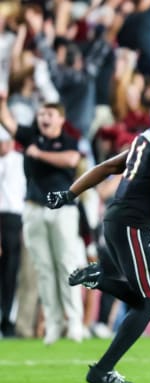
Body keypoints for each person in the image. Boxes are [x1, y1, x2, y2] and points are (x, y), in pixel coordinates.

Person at [44, 87, 150, 383]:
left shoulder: (148, 136)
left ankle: (98, 280)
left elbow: (106, 166)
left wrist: (69, 194)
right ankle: (101, 370)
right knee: (149, 300)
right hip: (133, 223)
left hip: (121, 219)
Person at [0, 92, 84, 345]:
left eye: (49, 114)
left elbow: (72, 159)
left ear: (60, 119)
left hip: (63, 209)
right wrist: (2, 102)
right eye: (41, 114)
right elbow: (8, 122)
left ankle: (75, 322)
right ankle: (53, 323)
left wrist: (39, 155)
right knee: (43, 269)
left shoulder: (69, 140)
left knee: (66, 265)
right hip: (34, 208)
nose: (44, 118)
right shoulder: (31, 137)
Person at [0, 130, 25, 337]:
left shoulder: (20, 161)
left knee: (11, 272)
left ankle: (8, 319)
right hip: (3, 215)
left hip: (14, 218)